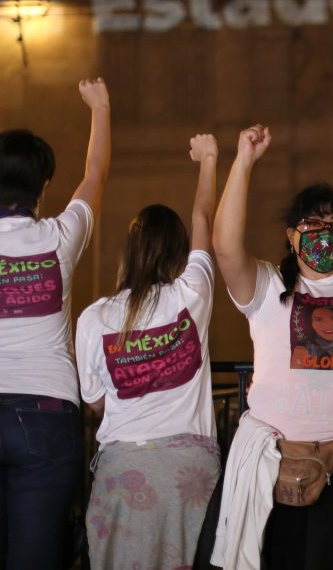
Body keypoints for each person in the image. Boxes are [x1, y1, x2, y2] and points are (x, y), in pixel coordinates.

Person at [0, 78, 111, 568]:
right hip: (44, 412)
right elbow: (96, 174)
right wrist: (100, 107)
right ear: (43, 187)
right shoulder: (59, 237)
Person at [210, 124, 333, 570]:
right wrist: (244, 161)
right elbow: (225, 246)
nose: (325, 232)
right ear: (292, 234)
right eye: (314, 223)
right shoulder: (267, 284)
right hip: (274, 456)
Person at [75, 134, 220, 569]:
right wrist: (208, 160)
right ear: (178, 255)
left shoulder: (95, 318)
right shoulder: (192, 292)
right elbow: (203, 218)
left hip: (124, 467)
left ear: (129, 253)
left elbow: (94, 400)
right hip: (190, 468)